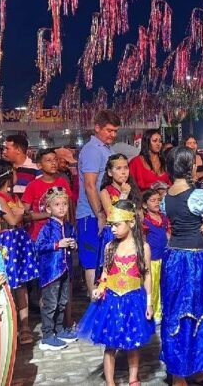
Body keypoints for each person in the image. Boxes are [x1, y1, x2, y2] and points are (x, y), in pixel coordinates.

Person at [161, 147, 203, 386]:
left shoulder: (167, 196)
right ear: (190, 168)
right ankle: (200, 367)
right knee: (201, 309)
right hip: (195, 260)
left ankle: (179, 374)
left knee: (177, 312)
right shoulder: (197, 196)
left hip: (173, 258)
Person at [78, 200, 154, 386]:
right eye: (111, 225)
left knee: (133, 342)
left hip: (134, 299)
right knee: (110, 344)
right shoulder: (110, 247)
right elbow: (105, 273)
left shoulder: (142, 248)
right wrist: (100, 288)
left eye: (117, 225)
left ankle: (133, 378)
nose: (112, 229)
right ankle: (110, 382)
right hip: (111, 300)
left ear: (131, 223)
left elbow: (147, 275)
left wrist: (149, 302)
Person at [0, 160, 38, 345]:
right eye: (13, 172)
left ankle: (24, 324)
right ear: (7, 175)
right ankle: (10, 324)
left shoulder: (11, 196)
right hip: (6, 242)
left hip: (17, 241)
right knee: (7, 283)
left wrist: (22, 211)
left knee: (20, 284)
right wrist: (22, 211)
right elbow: (13, 219)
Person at [77, 110, 120, 301]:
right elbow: (89, 185)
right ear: (97, 128)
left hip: (104, 213)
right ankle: (94, 304)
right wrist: (99, 213)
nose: (112, 134)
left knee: (104, 260)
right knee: (92, 261)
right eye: (109, 130)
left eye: (115, 131)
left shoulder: (106, 149)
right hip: (90, 215)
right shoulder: (92, 150)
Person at [35, 188, 78, 350]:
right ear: (48, 209)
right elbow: (38, 246)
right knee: (50, 303)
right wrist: (56, 245)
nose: (61, 208)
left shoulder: (68, 226)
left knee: (63, 301)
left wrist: (74, 244)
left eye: (64, 204)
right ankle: (47, 335)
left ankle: (59, 330)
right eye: (57, 204)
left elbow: (74, 239)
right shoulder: (47, 228)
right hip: (51, 272)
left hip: (66, 269)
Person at [22, 149, 73, 241]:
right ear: (39, 165)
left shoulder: (63, 182)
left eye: (55, 159)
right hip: (39, 236)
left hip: (60, 234)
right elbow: (25, 214)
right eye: (49, 160)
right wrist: (50, 214)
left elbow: (69, 209)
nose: (53, 163)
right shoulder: (33, 185)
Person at [141, 189, 169, 322]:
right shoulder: (145, 221)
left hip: (163, 257)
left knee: (163, 284)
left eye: (158, 200)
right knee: (153, 286)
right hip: (152, 259)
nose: (157, 203)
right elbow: (144, 239)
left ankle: (162, 309)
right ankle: (154, 312)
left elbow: (168, 235)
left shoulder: (164, 218)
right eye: (153, 200)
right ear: (145, 205)